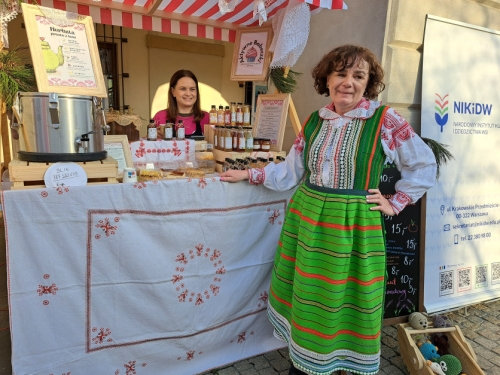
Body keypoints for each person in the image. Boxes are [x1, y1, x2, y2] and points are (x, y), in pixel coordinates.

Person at [219, 45, 437, 375]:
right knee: (310, 298)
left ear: (369, 83)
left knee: (344, 300)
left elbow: (423, 164)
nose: (348, 81)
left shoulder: (384, 119)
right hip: (306, 224)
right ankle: (304, 363)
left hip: (352, 228)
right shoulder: (315, 121)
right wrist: (249, 173)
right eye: (341, 73)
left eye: (358, 75)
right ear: (327, 78)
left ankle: (335, 364)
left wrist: (396, 202)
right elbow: (290, 172)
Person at [153, 69, 210, 137]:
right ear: (173, 91)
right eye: (183, 89)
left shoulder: (206, 118)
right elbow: (148, 145)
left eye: (192, 89)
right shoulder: (160, 116)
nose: (188, 93)